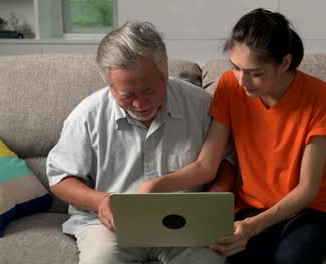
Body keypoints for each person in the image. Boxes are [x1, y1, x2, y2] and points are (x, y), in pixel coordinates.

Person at [136, 8, 326, 264]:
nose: (243, 81)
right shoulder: (229, 86)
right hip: (249, 208)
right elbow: (206, 166)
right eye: (236, 68)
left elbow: (308, 188)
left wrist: (253, 226)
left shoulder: (318, 94)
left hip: (309, 211)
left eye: (255, 73)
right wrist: (156, 185)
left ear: (285, 63)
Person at [46, 21, 235, 264]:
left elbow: (226, 160)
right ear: (110, 86)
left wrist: (214, 199)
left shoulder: (200, 105)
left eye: (148, 91)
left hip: (184, 223)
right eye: (127, 95)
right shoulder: (87, 116)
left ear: (164, 73)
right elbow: (59, 178)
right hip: (110, 227)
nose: (139, 104)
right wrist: (101, 201)